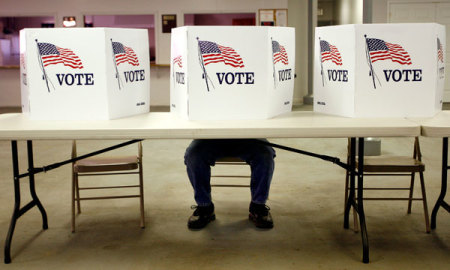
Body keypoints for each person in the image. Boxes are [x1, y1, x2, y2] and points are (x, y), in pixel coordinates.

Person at [184, 139, 276, 229]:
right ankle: (205, 208)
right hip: (211, 139)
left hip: (248, 138)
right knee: (194, 155)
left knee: (265, 155)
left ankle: (258, 207)